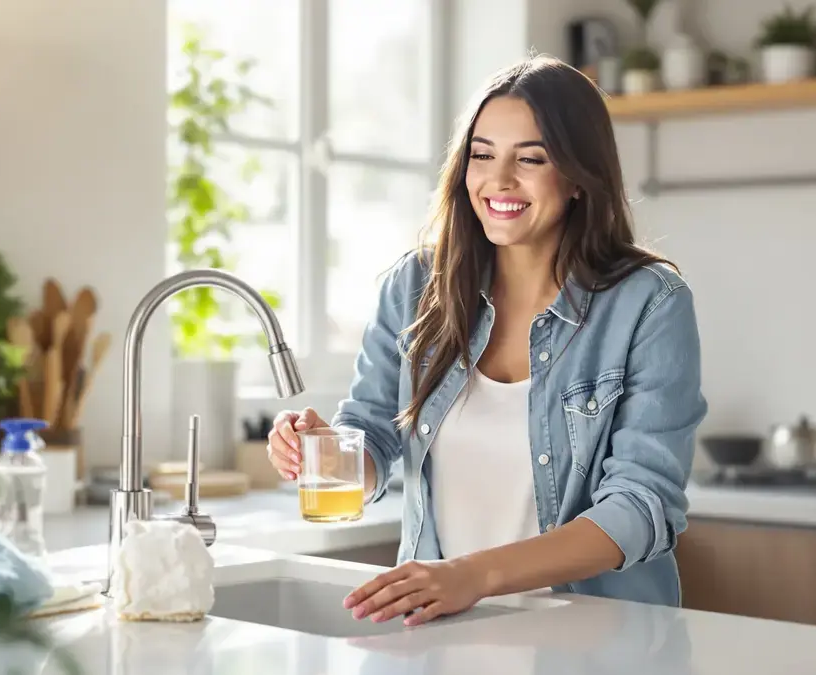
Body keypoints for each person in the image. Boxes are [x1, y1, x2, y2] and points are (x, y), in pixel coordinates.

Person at [265, 55, 707, 627]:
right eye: (482, 155)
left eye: (531, 159)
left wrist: (473, 575)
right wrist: (325, 451)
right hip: (442, 634)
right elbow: (372, 434)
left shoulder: (648, 303)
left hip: (596, 639)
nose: (499, 181)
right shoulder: (416, 286)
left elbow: (641, 508)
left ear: (577, 175)